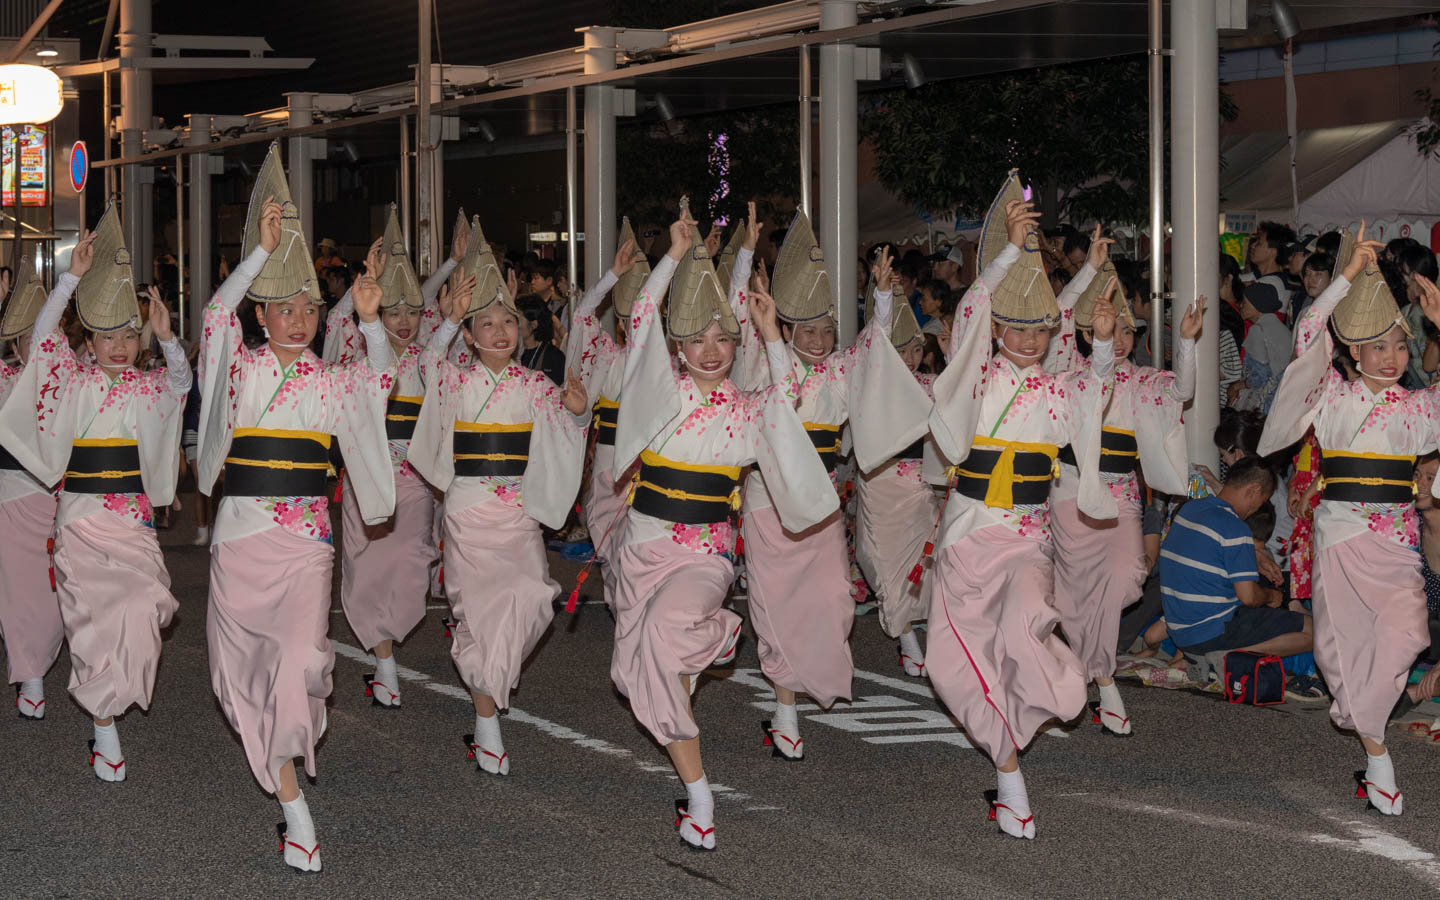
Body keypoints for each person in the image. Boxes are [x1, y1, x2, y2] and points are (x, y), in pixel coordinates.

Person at [608, 207, 836, 850]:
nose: (711, 351)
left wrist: (771, 336)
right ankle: (692, 779)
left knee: (662, 637)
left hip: (706, 558)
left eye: (723, 339)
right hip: (641, 550)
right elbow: (641, 319)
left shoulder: (750, 408)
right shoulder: (657, 389)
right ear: (679, 346)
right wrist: (675, 256)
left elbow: (793, 407)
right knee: (641, 674)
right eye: (698, 339)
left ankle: (701, 797)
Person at [196, 144, 397, 871]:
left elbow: (378, 400)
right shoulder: (242, 366)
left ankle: (292, 798)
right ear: (262, 312)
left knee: (305, 664)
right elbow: (214, 323)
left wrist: (370, 325)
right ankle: (293, 806)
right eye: (283, 307)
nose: (299, 318)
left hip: (308, 543)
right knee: (240, 671)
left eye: (309, 306)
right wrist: (256, 256)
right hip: (243, 538)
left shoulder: (333, 380)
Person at [925, 172, 1119, 840]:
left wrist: (1097, 351)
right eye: (1019, 327)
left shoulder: (1060, 389)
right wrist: (1006, 251)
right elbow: (973, 311)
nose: (1031, 340)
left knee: (1023, 624)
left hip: (1025, 541)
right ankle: (1009, 774)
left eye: (1042, 330)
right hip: (968, 533)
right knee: (948, 667)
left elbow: (1093, 403)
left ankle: (1058, 691)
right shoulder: (975, 376)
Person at [1258, 222, 1440, 816]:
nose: (1390, 357)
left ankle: (1371, 727)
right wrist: (1342, 281)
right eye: (1377, 347)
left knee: (1411, 632)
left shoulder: (1417, 405)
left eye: (1399, 346)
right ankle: (1377, 756)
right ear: (1354, 351)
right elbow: (1307, 335)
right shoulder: (1330, 395)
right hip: (1339, 533)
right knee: (1340, 649)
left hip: (1395, 540)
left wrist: (1439, 318)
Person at [0, 215, 187, 782]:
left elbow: (181, 386)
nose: (122, 346)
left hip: (132, 522)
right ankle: (104, 728)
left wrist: (169, 338)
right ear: (92, 339)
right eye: (109, 336)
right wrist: (66, 281)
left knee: (147, 612)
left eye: (130, 336)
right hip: (80, 518)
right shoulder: (74, 381)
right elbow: (43, 351)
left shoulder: (149, 385)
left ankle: (108, 703)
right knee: (91, 623)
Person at [739, 211, 930, 761]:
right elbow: (776, 380)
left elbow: (876, 347)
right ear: (788, 331)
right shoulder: (764, 368)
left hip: (821, 504)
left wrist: (883, 299)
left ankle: (803, 688)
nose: (821, 340)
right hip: (770, 502)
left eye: (828, 329)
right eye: (810, 331)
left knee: (831, 601)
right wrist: (765, 315)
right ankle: (785, 711)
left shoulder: (840, 371)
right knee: (776, 606)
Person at [407, 221, 589, 779]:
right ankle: (487, 726)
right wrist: (445, 321)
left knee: (535, 598)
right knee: (479, 616)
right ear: (470, 335)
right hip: (467, 508)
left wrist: (577, 412)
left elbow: (562, 438)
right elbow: (424, 366)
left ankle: (488, 684)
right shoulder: (454, 378)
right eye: (486, 323)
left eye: (508, 320)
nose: (501, 330)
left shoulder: (535, 384)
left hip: (519, 511)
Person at [1046, 230, 1204, 736]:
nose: (1120, 340)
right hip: (1072, 489)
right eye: (1109, 332)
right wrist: (1089, 271)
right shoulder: (1068, 373)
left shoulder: (1143, 381)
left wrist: (1186, 342)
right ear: (1090, 335)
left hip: (1122, 495)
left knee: (1128, 576)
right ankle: (1105, 678)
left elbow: (1184, 388)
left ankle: (1089, 663)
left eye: (1128, 333)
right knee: (1073, 593)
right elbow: (1059, 313)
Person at [323, 205, 473, 709]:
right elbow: (338, 318)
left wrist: (450, 267)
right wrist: (367, 280)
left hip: (413, 479)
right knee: (365, 572)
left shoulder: (430, 356)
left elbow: (432, 315)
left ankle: (402, 644)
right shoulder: (356, 355)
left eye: (413, 312)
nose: (405, 321)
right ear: (377, 313)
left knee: (412, 566)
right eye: (394, 312)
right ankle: (385, 666)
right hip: (367, 476)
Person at [854, 252, 939, 675]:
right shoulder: (870, 380)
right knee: (883, 562)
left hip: (919, 485)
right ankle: (905, 635)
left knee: (923, 562)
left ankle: (927, 634)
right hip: (881, 481)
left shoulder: (931, 385)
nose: (908, 358)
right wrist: (883, 296)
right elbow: (875, 346)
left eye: (916, 350)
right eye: (900, 350)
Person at [0, 255, 69, 719]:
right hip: (9, 494)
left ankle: (36, 664)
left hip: (60, 499)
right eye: (29, 339)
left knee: (54, 593)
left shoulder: (70, 382)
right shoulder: (3, 378)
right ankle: (31, 674)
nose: (38, 347)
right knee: (19, 590)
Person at [1158, 457, 1313, 657]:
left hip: (1180, 633)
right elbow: (1248, 598)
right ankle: (1226, 656)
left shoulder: (1190, 509)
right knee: (1313, 631)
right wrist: (1270, 595)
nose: (1258, 507)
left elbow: (1205, 552)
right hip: (1213, 632)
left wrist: (1255, 557)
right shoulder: (1235, 527)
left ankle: (1211, 656)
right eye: (1263, 500)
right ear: (1254, 490)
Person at [1235, 282, 1292, 413]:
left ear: (1257, 305)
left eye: (1245, 301)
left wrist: (1237, 386)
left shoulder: (1258, 330)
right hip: (1282, 400)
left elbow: (1259, 377)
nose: (1241, 305)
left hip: (1266, 403)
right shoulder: (1282, 329)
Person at [517, 295, 567, 386]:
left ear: (533, 325)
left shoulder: (554, 357)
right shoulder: (510, 353)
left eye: (517, 320)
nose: (513, 325)